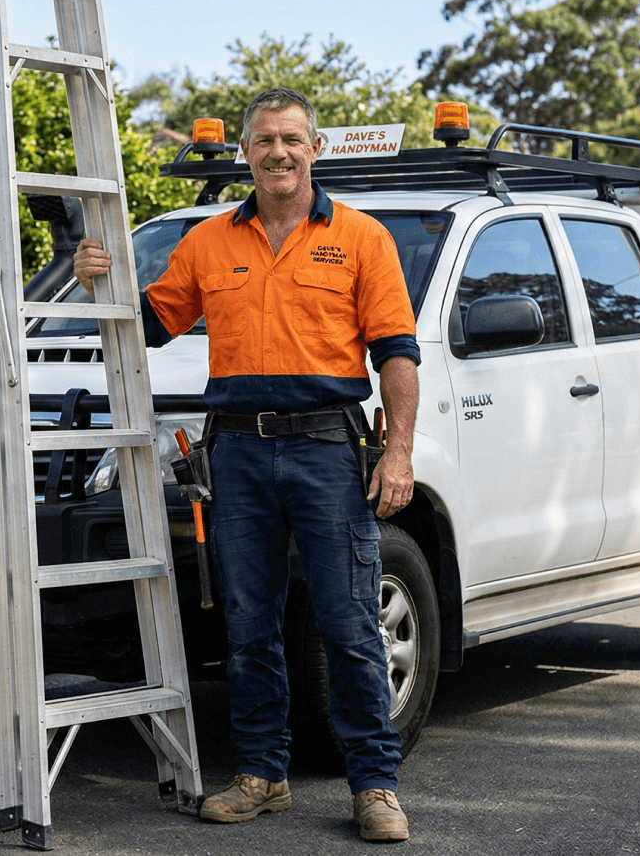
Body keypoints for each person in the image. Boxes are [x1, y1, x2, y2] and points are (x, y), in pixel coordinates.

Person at [72, 87, 419, 842]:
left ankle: (375, 786)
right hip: (236, 452)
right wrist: (101, 277)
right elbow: (151, 324)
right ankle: (263, 774)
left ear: (314, 149)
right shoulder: (208, 242)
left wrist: (398, 453)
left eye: (291, 139)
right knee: (249, 625)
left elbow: (397, 352)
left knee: (349, 625)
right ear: (246, 153)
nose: (278, 153)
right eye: (264, 141)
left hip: (328, 449)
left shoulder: (362, 238)